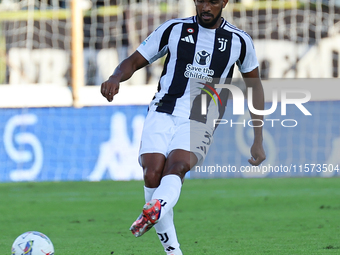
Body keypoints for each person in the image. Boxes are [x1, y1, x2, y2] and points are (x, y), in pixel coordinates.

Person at [100, 0, 266, 254]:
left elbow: (255, 88)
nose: (205, 7)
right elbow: (133, 61)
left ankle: (155, 208)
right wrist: (115, 77)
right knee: (152, 173)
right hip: (164, 107)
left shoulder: (239, 41)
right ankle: (170, 242)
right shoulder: (173, 29)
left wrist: (258, 137)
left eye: (212, 2)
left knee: (177, 166)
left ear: (224, 3)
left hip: (202, 111)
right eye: (201, 1)